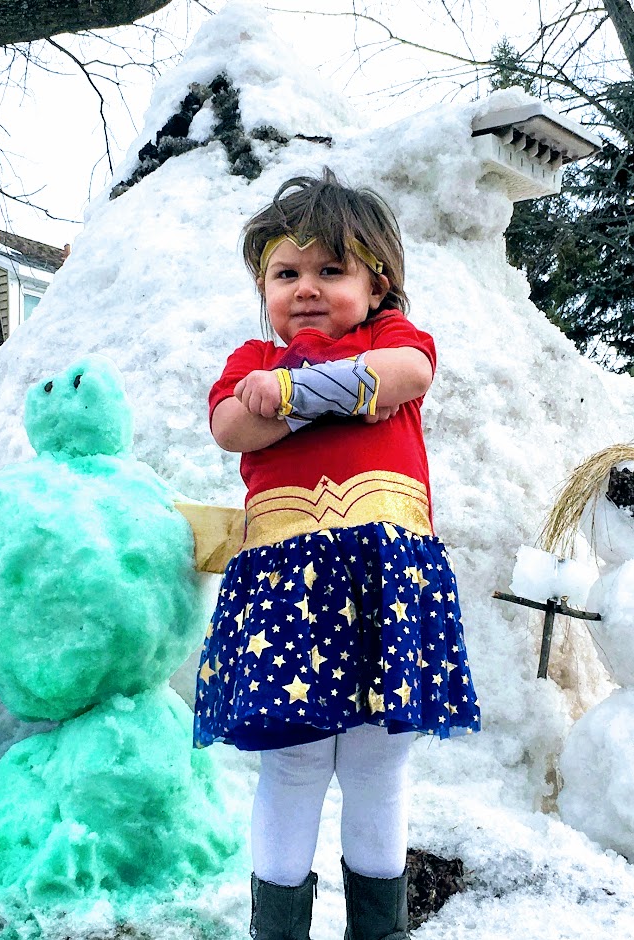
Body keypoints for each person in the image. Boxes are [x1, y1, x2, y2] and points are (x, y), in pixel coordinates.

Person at [195, 169, 481, 940]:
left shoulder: (389, 340)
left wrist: (290, 394)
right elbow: (231, 427)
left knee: (376, 766)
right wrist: (342, 395)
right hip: (289, 596)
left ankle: (378, 931)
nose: (306, 289)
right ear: (263, 287)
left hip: (383, 584)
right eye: (285, 274)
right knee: (292, 766)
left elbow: (407, 375)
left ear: (377, 284)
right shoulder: (251, 355)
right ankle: (277, 931)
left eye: (330, 269)